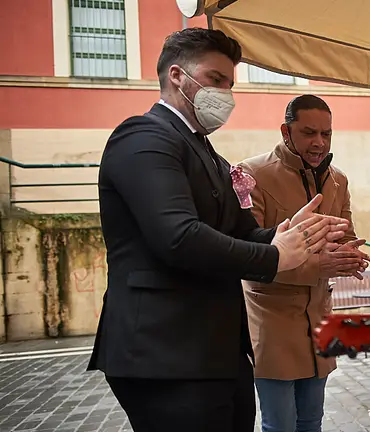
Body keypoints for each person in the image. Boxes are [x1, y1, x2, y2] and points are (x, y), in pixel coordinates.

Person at [88, 29, 349, 432]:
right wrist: (276, 254)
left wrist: (291, 234)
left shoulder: (209, 153)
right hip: (164, 353)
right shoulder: (142, 136)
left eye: (229, 84)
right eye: (215, 80)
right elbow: (178, 236)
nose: (225, 94)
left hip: (217, 351)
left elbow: (243, 232)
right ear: (177, 76)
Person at [237, 94, 370, 432]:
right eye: (310, 132)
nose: (319, 142)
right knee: (279, 425)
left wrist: (350, 254)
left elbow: (344, 234)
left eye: (326, 134)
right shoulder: (250, 175)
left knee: (312, 422)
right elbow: (249, 259)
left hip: (319, 322)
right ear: (286, 131)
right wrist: (321, 266)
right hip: (272, 325)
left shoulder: (337, 179)